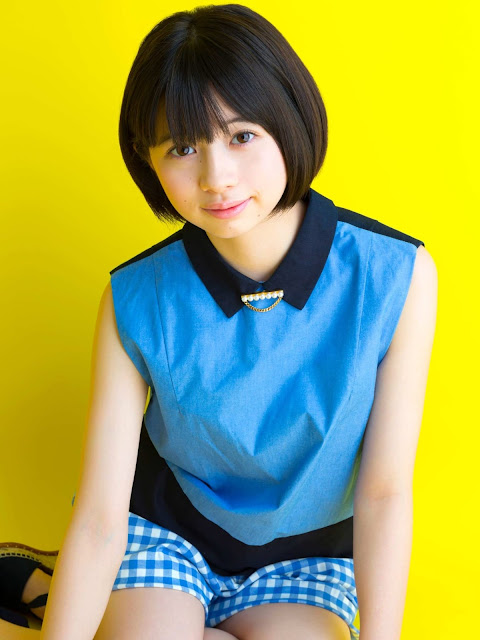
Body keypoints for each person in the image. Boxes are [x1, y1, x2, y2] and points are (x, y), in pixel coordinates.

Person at [0, 3, 438, 640]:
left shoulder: (395, 275)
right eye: (183, 147)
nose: (216, 177)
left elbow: (385, 492)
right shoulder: (136, 296)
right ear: (149, 160)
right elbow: (100, 517)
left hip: (304, 557)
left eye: (242, 136)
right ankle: (71, 594)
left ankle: (42, 588)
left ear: (289, 120)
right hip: (165, 537)